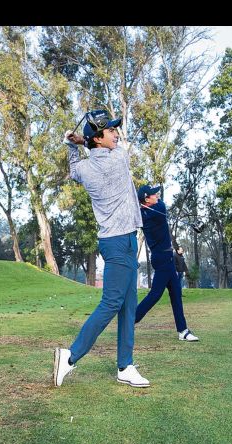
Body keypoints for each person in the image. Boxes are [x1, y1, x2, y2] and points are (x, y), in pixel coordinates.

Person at [52, 109, 149, 388]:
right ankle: (70, 357)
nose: (116, 134)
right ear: (97, 138)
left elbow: (73, 169)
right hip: (119, 242)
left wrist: (73, 144)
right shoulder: (119, 158)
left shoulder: (82, 169)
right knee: (112, 303)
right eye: (110, 131)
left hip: (122, 240)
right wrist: (80, 141)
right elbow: (101, 146)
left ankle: (125, 366)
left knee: (129, 306)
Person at [135, 185, 199, 342]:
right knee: (156, 294)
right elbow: (161, 203)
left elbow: (146, 206)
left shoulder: (141, 213)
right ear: (146, 199)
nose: (157, 195)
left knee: (176, 293)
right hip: (163, 259)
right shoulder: (159, 209)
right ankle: (130, 320)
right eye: (153, 194)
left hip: (163, 258)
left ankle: (183, 330)